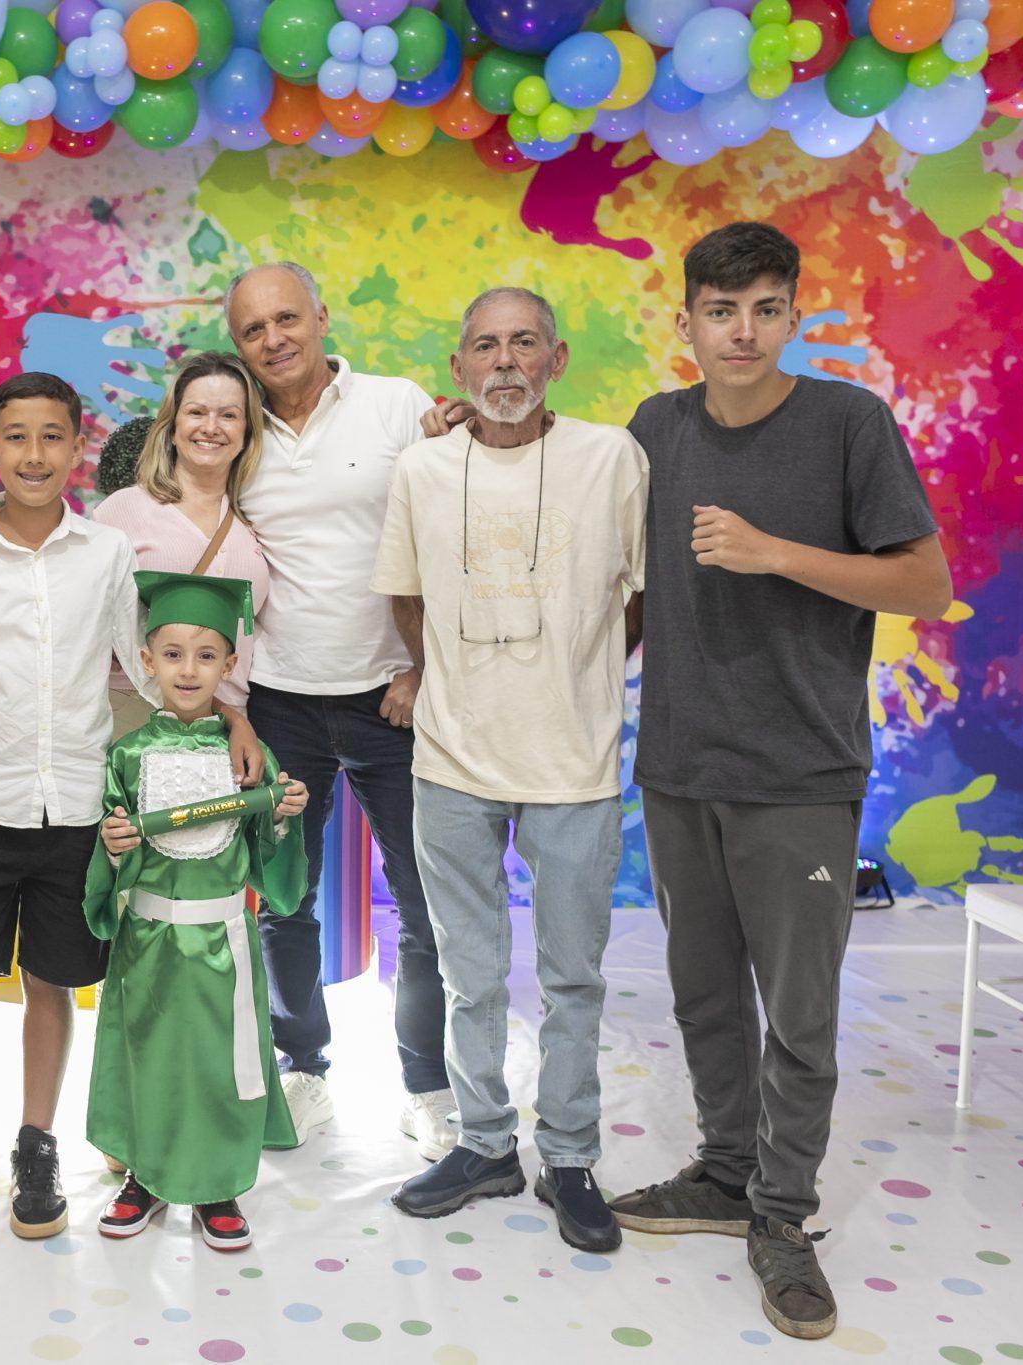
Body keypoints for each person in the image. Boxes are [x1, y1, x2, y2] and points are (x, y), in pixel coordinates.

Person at [605, 223, 949, 1341]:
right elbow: (624, 582)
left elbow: (924, 583)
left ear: (792, 314)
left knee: (797, 1012)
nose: (741, 331)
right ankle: (723, 1172)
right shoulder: (655, 427)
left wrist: (775, 553)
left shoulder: (849, 423)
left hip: (801, 768)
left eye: (763, 309)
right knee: (704, 992)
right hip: (677, 764)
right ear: (687, 322)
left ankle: (783, 1215)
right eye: (721, 311)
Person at [0, 373, 261, 1254]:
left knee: (52, 982)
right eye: (16, 436)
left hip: (76, 811)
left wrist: (230, 713)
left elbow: (142, 662)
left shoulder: (105, 553)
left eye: (52, 437)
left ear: (79, 448)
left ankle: (36, 1146)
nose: (34, 454)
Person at [373, 289, 646, 1258]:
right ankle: (485, 1143)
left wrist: (574, 672)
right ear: (458, 368)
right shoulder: (420, 467)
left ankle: (568, 1156)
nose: (503, 362)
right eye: (484, 345)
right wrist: (451, 679)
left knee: (573, 977)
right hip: (452, 758)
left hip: (573, 760)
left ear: (555, 358)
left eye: (523, 342)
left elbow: (640, 594)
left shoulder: (611, 457)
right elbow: (405, 596)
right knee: (468, 972)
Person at [224, 261, 452, 1159]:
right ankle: (303, 1068)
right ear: (237, 344)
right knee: (285, 900)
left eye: (287, 318)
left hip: (392, 696)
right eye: (253, 329)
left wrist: (425, 665)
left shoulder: (397, 406)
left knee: (424, 901)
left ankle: (427, 1084)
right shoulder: (234, 428)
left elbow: (453, 534)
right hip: (281, 700)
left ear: (321, 316)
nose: (274, 339)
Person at [86, 571, 310, 1252]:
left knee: (217, 1063)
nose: (189, 670)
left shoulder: (249, 757)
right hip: (149, 942)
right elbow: (108, 856)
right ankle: (145, 1176)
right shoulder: (126, 755)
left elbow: (269, 858)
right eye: (173, 654)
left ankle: (217, 1183)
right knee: (149, 1058)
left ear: (229, 665)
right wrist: (114, 847)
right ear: (146, 661)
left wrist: (282, 816)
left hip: (222, 943)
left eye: (207, 655)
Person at [92, 352, 271, 739]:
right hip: (137, 714)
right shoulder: (125, 509)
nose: (211, 427)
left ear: (247, 431)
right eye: (196, 412)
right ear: (172, 426)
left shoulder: (255, 518)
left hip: (229, 724)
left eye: (228, 415)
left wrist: (235, 720)